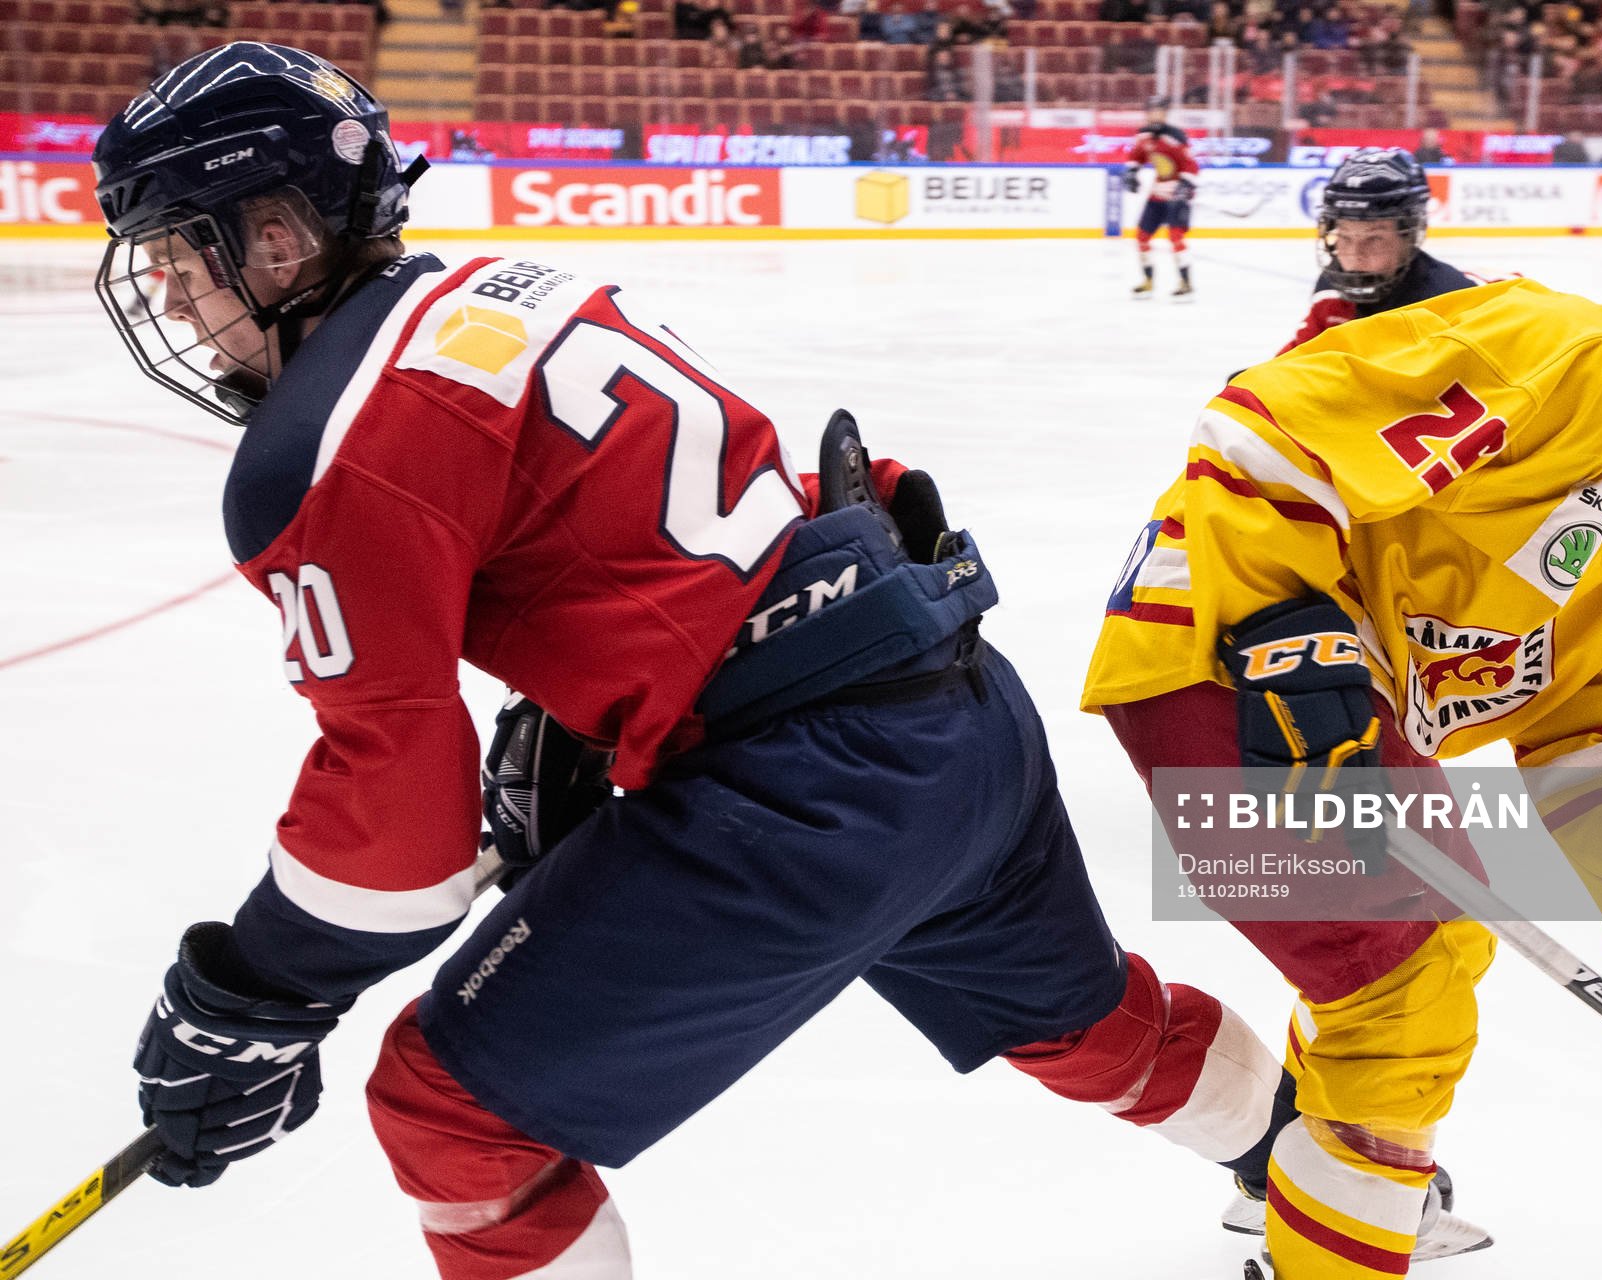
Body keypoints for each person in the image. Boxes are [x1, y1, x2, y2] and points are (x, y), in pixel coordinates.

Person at [93, 43, 1301, 1278]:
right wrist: (574, 723)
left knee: (452, 1111)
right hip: (947, 698)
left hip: (810, 788)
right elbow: (659, 544)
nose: (178, 301)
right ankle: (1321, 1175)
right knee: (1083, 1019)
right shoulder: (513, 288)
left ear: (280, 237)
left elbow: (394, 841)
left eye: (183, 257)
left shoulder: (323, 448)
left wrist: (249, 991)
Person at [1084, 170, 1602, 1278]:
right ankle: (1335, 1231)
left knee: (1396, 977)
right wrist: (1282, 627)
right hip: (1221, 652)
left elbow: (1601, 733)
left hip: (1339, 700)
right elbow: (1267, 433)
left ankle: (1331, 1182)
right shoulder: (1554, 352)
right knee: (1415, 976)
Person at [1277, 146, 1478, 354]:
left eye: (1374, 238)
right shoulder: (1330, 291)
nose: (1355, 254)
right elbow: (1288, 367)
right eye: (1344, 237)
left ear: (1408, 237)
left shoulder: (1448, 305)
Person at [1126, 95, 1199, 299]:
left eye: (1159, 110)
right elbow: (1136, 156)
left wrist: (1186, 184)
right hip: (1157, 195)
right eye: (1151, 110)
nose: (1154, 114)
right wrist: (1131, 171)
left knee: (1175, 238)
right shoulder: (1144, 135)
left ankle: (1186, 284)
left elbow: (1190, 164)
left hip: (1177, 196)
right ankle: (1148, 282)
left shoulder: (1176, 136)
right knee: (1141, 238)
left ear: (1165, 113)